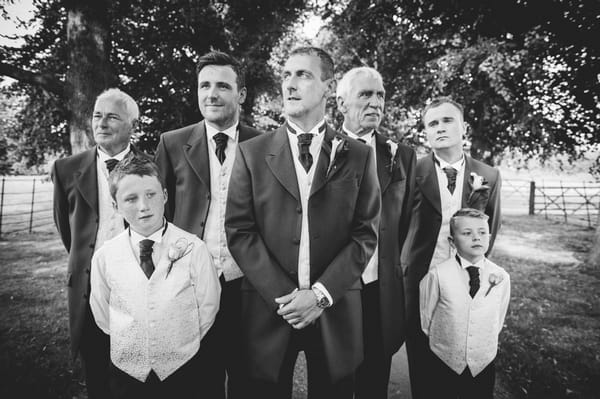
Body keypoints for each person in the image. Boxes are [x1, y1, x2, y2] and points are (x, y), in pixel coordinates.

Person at [225, 46, 381, 399]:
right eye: (286, 75)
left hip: (336, 308)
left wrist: (321, 295)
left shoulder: (358, 156)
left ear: (329, 86)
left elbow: (364, 235)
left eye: (303, 75)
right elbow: (239, 231)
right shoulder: (251, 153)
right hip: (270, 309)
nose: (290, 84)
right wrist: (288, 298)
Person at [154, 50, 261, 398]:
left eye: (222, 86)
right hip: (191, 286)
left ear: (241, 94)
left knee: (249, 379)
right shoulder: (171, 143)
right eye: (204, 85)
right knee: (199, 383)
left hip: (248, 287)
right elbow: (157, 217)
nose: (211, 94)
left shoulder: (264, 144)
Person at [89, 156, 220, 398]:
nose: (143, 206)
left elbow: (208, 307)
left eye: (151, 194)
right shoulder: (105, 256)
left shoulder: (194, 248)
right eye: (131, 199)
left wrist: (180, 342)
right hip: (127, 372)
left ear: (166, 195)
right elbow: (101, 312)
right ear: (115, 206)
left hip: (184, 370)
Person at [402, 96, 502, 398]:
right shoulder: (411, 173)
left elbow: (490, 232)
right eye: (432, 123)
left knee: (470, 371)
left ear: (464, 128)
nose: (440, 128)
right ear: (426, 134)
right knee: (424, 371)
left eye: (447, 120)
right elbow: (399, 229)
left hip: (468, 287)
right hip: (421, 286)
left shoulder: (488, 175)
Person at [51, 88, 149, 398]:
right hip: (90, 291)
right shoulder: (66, 169)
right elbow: (67, 231)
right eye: (97, 116)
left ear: (131, 124)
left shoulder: (153, 166)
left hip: (140, 291)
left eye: (112, 117)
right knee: (96, 377)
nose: (101, 123)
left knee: (139, 379)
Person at [336, 66, 416, 398]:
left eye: (380, 94)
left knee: (374, 385)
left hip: (381, 293)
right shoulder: (321, 149)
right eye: (365, 94)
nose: (375, 103)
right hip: (335, 292)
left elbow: (409, 222)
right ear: (341, 104)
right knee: (334, 385)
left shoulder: (402, 156)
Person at [419, 208, 510, 398]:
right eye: (467, 233)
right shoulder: (437, 275)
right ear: (452, 242)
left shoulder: (501, 276)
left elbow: (498, 318)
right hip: (444, 361)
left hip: (483, 363)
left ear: (489, 237)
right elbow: (426, 319)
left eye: (482, 232)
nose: (476, 238)